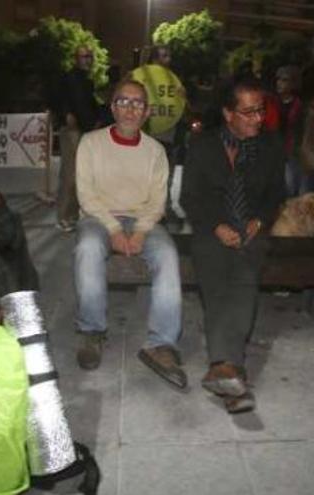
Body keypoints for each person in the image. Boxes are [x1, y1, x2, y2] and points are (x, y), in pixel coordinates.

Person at [72, 79, 186, 388]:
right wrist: (111, 228)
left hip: (143, 220)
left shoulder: (155, 152)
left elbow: (158, 201)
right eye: (123, 101)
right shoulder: (91, 143)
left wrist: (139, 231)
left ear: (147, 111)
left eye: (137, 103)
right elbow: (86, 194)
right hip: (98, 217)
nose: (130, 108)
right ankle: (92, 331)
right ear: (112, 107)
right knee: (88, 248)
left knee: (167, 253)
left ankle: (161, 343)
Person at [181, 79, 286, 413]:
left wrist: (258, 221)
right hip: (211, 231)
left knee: (243, 277)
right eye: (249, 111)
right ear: (228, 113)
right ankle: (233, 370)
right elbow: (190, 198)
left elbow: (275, 196)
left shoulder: (270, 146)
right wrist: (216, 226)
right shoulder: (202, 145)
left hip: (251, 231)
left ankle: (225, 368)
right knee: (216, 282)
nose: (258, 118)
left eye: (261, 110)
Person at [57, 46, 101, 232]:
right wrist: (66, 114)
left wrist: (96, 121)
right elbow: (59, 98)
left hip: (85, 131)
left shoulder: (87, 80)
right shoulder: (69, 77)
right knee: (70, 175)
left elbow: (89, 105)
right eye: (84, 56)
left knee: (82, 175)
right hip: (72, 131)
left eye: (90, 56)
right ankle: (64, 217)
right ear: (76, 58)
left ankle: (74, 215)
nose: (88, 60)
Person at [265, 66, 306, 197]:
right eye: (279, 80)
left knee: (290, 187)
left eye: (284, 80)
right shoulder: (271, 102)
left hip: (291, 152)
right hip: (272, 149)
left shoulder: (299, 106)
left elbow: (300, 131)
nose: (280, 83)